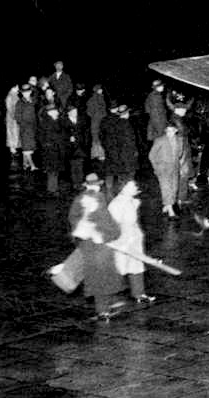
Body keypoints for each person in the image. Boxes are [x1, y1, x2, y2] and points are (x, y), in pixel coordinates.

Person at [66, 173, 125, 320]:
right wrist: (114, 234)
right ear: (98, 185)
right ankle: (103, 309)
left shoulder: (80, 199)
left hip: (87, 243)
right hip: (100, 244)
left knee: (97, 276)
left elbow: (72, 217)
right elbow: (106, 221)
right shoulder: (99, 198)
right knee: (103, 277)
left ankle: (107, 303)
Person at [107, 180, 156, 304]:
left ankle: (139, 293)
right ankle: (109, 293)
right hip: (122, 240)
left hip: (134, 239)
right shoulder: (116, 204)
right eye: (132, 185)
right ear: (122, 189)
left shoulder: (132, 201)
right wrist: (119, 241)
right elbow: (112, 224)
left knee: (136, 265)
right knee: (119, 265)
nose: (135, 187)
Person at [149, 123, 188, 219]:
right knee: (166, 188)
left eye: (172, 131)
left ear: (176, 130)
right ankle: (171, 212)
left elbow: (179, 154)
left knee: (174, 188)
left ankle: (167, 205)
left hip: (174, 167)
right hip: (163, 168)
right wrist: (156, 167)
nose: (169, 133)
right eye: (167, 131)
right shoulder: (160, 140)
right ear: (165, 131)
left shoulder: (180, 140)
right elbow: (151, 155)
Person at [101, 103, 138, 196]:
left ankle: (117, 195)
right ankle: (126, 197)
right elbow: (130, 142)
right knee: (128, 178)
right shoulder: (126, 125)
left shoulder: (115, 124)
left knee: (120, 176)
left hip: (117, 154)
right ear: (127, 113)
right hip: (127, 156)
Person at [38, 105, 65, 195]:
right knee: (52, 170)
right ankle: (52, 189)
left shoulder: (57, 121)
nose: (57, 112)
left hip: (56, 149)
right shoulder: (46, 122)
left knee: (55, 170)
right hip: (50, 150)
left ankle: (53, 188)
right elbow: (40, 136)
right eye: (55, 111)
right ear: (50, 112)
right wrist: (46, 144)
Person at [16, 84, 39, 172]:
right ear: (22, 93)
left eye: (28, 92)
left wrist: (32, 86)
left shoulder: (33, 101)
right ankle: (32, 165)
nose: (26, 94)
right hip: (25, 128)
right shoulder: (20, 103)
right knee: (27, 147)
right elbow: (17, 116)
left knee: (29, 146)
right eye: (24, 92)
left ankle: (25, 164)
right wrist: (23, 123)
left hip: (32, 127)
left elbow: (37, 94)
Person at [87, 84, 108, 164]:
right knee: (99, 138)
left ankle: (97, 156)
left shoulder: (92, 99)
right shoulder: (99, 99)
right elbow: (103, 112)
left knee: (96, 138)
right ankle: (100, 156)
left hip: (95, 122)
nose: (101, 90)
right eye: (100, 89)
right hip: (99, 122)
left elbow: (88, 112)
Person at [144, 79, 168, 144]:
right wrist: (162, 127)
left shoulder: (151, 95)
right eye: (161, 86)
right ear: (157, 87)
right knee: (161, 141)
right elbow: (158, 113)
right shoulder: (156, 97)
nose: (163, 87)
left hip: (155, 122)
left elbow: (148, 110)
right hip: (159, 123)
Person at [6, 84, 20, 160]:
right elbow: (9, 108)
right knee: (12, 134)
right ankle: (12, 150)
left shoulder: (15, 95)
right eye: (17, 87)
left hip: (15, 118)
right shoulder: (10, 96)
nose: (18, 88)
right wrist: (14, 116)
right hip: (12, 119)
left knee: (15, 133)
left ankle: (14, 149)